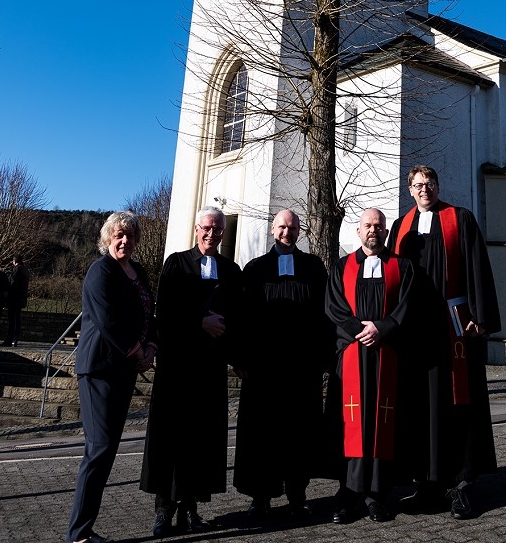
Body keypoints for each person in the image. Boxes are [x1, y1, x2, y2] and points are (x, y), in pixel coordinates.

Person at [387, 164, 501, 519]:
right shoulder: (399, 227)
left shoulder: (460, 219)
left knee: (458, 402)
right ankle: (427, 482)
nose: (426, 189)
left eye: (431, 183)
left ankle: (462, 484)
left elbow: (478, 267)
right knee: (421, 402)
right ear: (410, 190)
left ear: (438, 186)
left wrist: (480, 319)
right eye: (419, 185)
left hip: (454, 326)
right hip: (416, 331)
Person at [140, 206, 243, 538]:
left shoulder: (230, 269)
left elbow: (238, 317)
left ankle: (190, 508)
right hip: (178, 367)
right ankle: (164, 509)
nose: (211, 234)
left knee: (202, 440)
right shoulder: (176, 263)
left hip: (210, 369)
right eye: (206, 228)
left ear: (223, 234)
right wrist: (200, 321)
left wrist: (236, 353)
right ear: (196, 229)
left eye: (217, 229)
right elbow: (165, 311)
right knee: (172, 437)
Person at [65, 210, 157, 543]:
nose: (125, 240)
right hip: (100, 369)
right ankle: (78, 533)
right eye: (118, 235)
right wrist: (136, 349)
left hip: (125, 370)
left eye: (130, 235)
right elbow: (107, 321)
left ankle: (85, 529)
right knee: (99, 448)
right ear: (107, 238)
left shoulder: (139, 272)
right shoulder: (100, 271)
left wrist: (151, 346)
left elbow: (151, 313)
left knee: (107, 450)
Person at [233, 209, 330, 519]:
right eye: (282, 227)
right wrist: (240, 358)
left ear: (299, 231)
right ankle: (260, 496)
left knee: (300, 432)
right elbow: (242, 318)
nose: (286, 232)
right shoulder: (255, 268)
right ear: (272, 230)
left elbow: (325, 315)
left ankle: (297, 494)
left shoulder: (313, 267)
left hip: (303, 369)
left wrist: (326, 358)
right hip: (264, 368)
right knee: (262, 434)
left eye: (292, 227)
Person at [325, 208, 417, 524]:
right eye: (367, 225)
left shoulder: (402, 267)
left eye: (378, 225)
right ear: (358, 231)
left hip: (387, 355)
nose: (373, 230)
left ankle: (378, 495)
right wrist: (360, 330)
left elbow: (407, 306)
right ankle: (348, 495)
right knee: (350, 424)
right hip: (351, 356)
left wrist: (383, 328)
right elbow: (334, 307)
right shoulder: (342, 267)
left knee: (381, 422)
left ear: (386, 231)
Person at [3, 255, 30, 346]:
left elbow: (12, 283)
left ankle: (9, 340)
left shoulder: (16, 269)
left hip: (14, 298)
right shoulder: (26, 270)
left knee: (12, 320)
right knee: (17, 319)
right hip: (21, 299)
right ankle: (15, 339)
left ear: (14, 261)